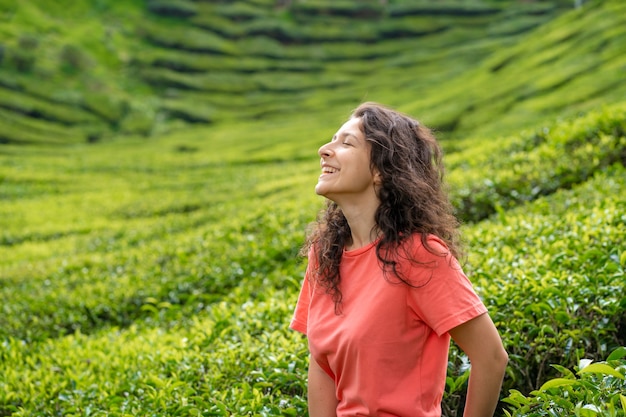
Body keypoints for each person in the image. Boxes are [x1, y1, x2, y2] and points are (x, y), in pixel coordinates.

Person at [290, 102, 508, 417]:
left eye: (346, 143)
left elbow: (490, 356)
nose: (324, 150)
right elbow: (321, 363)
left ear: (380, 170)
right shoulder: (324, 255)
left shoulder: (420, 254)